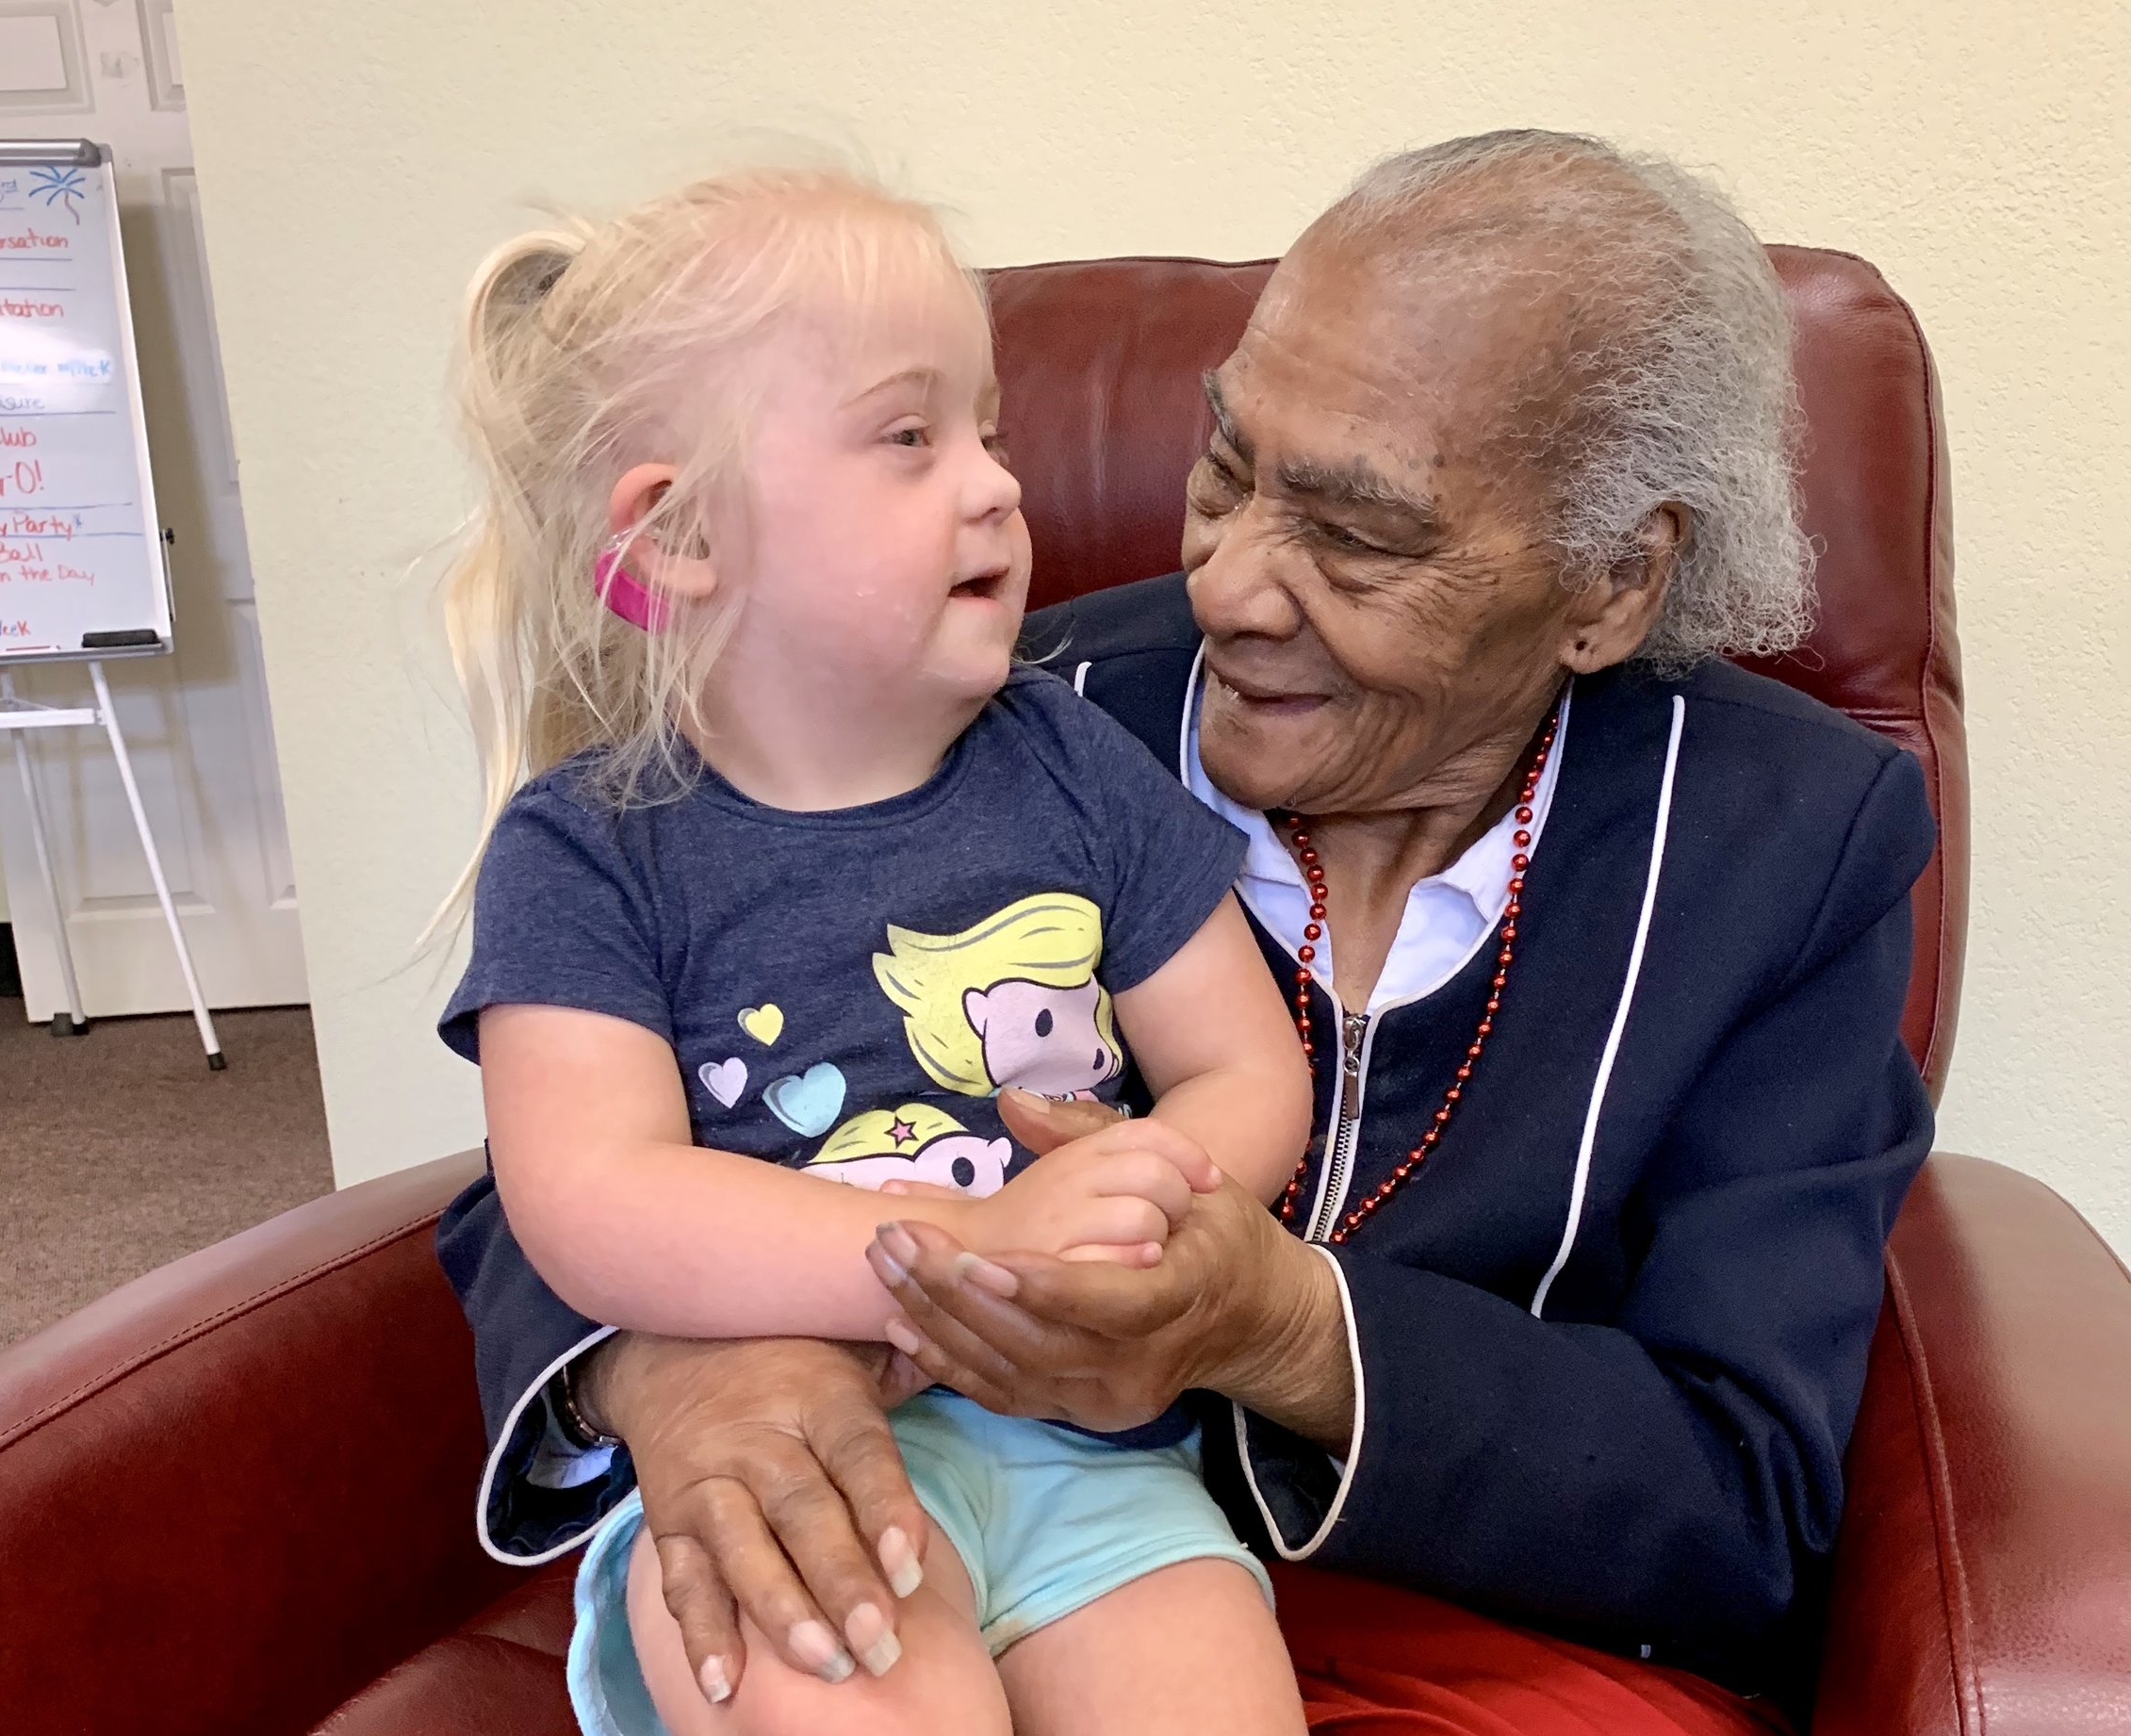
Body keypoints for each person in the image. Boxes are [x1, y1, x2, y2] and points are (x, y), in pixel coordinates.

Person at [438, 130, 1938, 1736]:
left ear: (1609, 583)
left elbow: (1743, 1490)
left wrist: (1287, 1331)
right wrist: (667, 1366)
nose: (1226, 586)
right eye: (1225, 467)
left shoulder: (1781, 843)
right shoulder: (1023, 707)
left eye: (1355, 533)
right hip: (905, 1519)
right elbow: (578, 1146)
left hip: (1442, 1613)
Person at [429, 165, 1314, 1736]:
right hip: (778, 1484)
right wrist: (955, 1255)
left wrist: (1140, 1191)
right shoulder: (586, 845)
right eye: (911, 438)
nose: (995, 486)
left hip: (1098, 1465)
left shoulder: (1073, 761)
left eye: (990, 429)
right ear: (682, 534)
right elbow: (588, 1196)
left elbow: (1246, 1067)